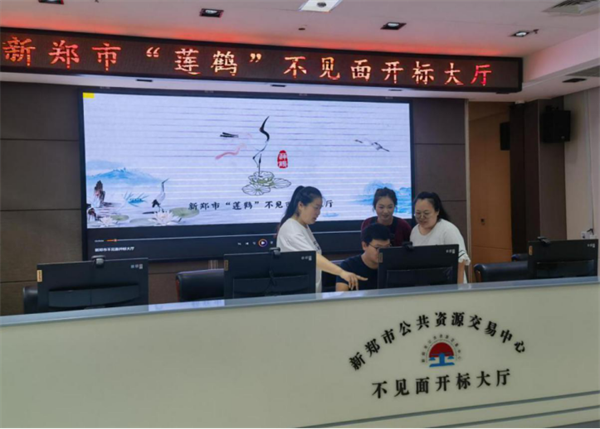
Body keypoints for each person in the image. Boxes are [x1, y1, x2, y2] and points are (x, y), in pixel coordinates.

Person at [277, 186, 367, 293]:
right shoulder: (291, 229)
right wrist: (341, 272)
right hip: (297, 294)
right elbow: (312, 257)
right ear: (301, 205)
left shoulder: (303, 226)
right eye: (316, 208)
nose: (318, 212)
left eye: (320, 208)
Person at [410, 191, 470, 283]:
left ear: (437, 211)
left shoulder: (448, 230)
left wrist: (458, 288)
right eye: (418, 213)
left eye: (426, 213)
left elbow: (460, 261)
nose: (421, 217)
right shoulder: (414, 231)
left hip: (449, 285)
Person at [335, 223, 391, 292]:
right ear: (364, 245)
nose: (383, 252)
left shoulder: (393, 264)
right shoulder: (348, 266)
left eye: (387, 247)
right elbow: (340, 296)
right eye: (378, 248)